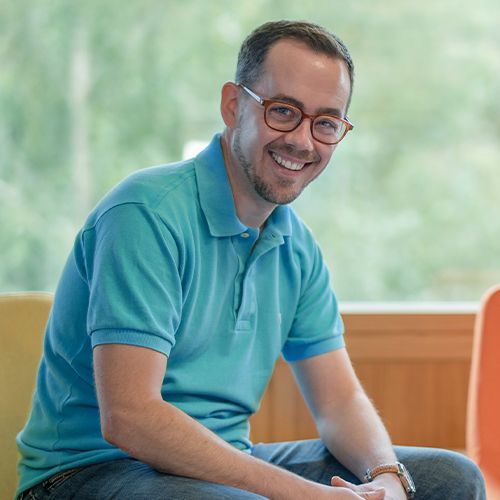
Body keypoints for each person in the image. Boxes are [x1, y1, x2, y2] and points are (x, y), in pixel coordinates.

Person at [17, 20, 485, 500]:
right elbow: (131, 419)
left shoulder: (295, 245)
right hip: (88, 473)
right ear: (232, 105)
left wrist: (388, 476)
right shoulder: (146, 214)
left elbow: (339, 402)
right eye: (283, 111)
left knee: (450, 479)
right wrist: (307, 495)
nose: (303, 141)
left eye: (325, 122)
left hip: (222, 463)